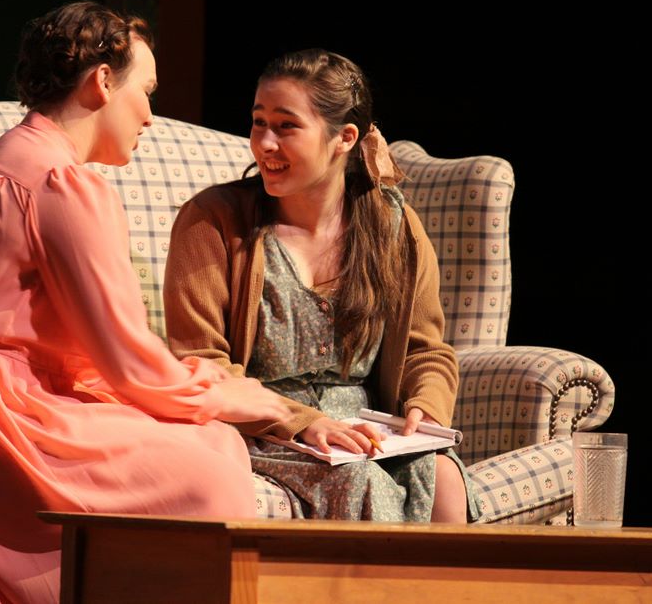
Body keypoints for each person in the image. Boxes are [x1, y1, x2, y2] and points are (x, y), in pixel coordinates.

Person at [0, 1, 288, 604]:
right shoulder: (58, 183)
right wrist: (226, 396)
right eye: (145, 92)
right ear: (102, 82)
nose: (150, 115)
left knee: (195, 438)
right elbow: (125, 356)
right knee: (211, 460)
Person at [164, 49, 479, 523]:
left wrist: (425, 409)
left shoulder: (393, 228)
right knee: (358, 481)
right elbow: (200, 361)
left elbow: (424, 349)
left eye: (286, 126)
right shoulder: (212, 222)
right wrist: (306, 423)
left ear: (344, 138)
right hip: (262, 428)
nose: (264, 143)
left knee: (445, 480)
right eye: (258, 123)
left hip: (366, 433)